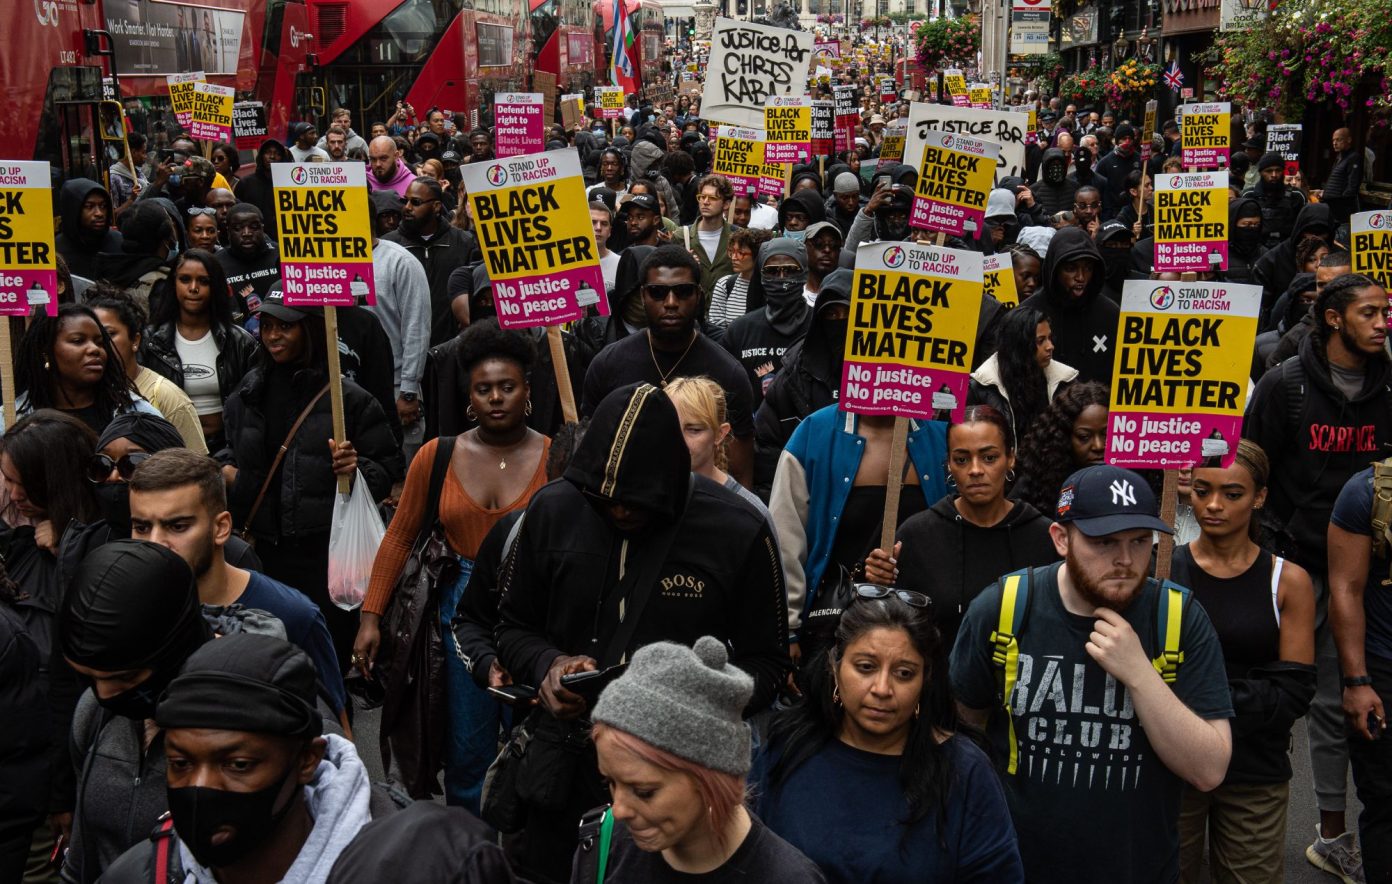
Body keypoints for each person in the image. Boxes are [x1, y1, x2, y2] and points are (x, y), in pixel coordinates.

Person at [494, 383, 789, 882]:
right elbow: (511, 626)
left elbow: (772, 665)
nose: (619, 511)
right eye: (601, 501)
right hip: (563, 771)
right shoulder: (553, 510)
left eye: (634, 501)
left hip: (680, 786)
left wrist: (692, 698)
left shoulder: (738, 530)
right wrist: (548, 666)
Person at [951, 463, 1234, 883]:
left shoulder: (1177, 617)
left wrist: (1139, 673)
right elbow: (962, 736)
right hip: (1016, 868)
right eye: (1103, 542)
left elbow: (1208, 770)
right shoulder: (1003, 608)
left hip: (1137, 868)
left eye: (1140, 541)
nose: (1125, 560)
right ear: (1061, 538)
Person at [355, 320, 549, 811]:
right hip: (459, 617)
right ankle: (470, 849)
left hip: (538, 612)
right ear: (469, 396)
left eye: (508, 386)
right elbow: (399, 536)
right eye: (484, 389)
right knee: (469, 749)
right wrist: (370, 616)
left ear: (527, 390)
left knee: (539, 745)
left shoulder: (556, 456)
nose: (496, 398)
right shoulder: (436, 456)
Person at [1244, 273, 1392, 882]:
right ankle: (1326, 829)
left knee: (1341, 698)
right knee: (1282, 695)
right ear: (1333, 319)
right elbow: (1252, 468)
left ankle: (1336, 835)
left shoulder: (1390, 386)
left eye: (1386, 312)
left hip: (1367, 572)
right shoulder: (1287, 386)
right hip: (1298, 564)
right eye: (1370, 312)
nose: (1384, 322)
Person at [756, 589, 1023, 883]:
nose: (882, 689)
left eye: (904, 673)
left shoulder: (964, 772)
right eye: (866, 667)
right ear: (835, 666)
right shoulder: (788, 750)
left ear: (926, 679)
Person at [223, 291, 404, 670]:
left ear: (310, 329)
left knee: (325, 660)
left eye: (285, 326)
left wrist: (356, 470)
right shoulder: (247, 393)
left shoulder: (349, 400)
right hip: (263, 554)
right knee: (268, 662)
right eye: (267, 326)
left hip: (324, 557)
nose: (273, 336)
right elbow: (230, 450)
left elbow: (386, 468)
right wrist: (228, 473)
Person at [100, 634, 375, 883]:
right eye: (181, 764)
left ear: (306, 760)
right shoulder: (137, 875)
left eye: (238, 765)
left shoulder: (397, 867)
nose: (201, 786)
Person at [1171, 440, 1317, 884]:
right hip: (1173, 765)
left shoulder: (1286, 581)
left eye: (1232, 494)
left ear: (1259, 497)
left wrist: (1194, 701)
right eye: (1201, 490)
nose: (1213, 505)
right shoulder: (1161, 572)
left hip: (1254, 768)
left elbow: (1293, 691)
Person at [573, 636, 825, 883]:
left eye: (644, 792)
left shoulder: (788, 876)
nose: (619, 809)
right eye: (611, 783)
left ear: (710, 776)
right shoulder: (604, 844)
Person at [128, 448, 349, 725]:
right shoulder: (128, 605)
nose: (155, 543)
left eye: (177, 526)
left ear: (221, 528)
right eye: (141, 527)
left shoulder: (292, 615)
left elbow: (334, 736)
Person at [57, 541, 213, 883]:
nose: (105, 694)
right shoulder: (92, 716)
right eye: (90, 678)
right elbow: (81, 859)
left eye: (124, 677)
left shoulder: (242, 729)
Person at [768, 400, 948, 667]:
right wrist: (789, 629)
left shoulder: (940, 437)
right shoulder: (814, 435)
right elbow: (785, 541)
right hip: (836, 628)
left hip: (921, 628)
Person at [863, 407, 1060, 641]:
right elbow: (895, 626)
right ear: (948, 464)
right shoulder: (918, 536)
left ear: (1010, 458)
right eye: (962, 459)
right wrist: (879, 582)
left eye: (989, 457)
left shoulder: (1044, 538)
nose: (975, 470)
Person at [581, 246, 756, 487]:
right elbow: (591, 454)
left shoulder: (729, 373)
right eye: (658, 292)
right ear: (643, 296)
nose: (671, 302)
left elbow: (740, 473)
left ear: (698, 295)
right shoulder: (608, 365)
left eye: (683, 292)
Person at [1330, 458, 1392, 882]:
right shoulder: (1368, 492)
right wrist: (1357, 681)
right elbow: (1345, 588)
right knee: (1386, 803)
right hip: (1383, 670)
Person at [138, 249, 258, 451]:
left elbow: (254, 409)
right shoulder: (151, 341)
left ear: (216, 287)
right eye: (185, 279)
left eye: (203, 281)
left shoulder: (240, 342)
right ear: (173, 284)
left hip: (226, 449)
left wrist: (236, 460)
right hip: (168, 450)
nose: (193, 288)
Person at [753, 268, 851, 498]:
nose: (839, 323)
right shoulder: (793, 375)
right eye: (831, 315)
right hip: (807, 497)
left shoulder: (885, 374)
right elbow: (768, 453)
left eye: (847, 314)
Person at [86, 286, 207, 452]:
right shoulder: (82, 393)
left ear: (135, 340)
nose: (98, 345)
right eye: (88, 338)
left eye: (109, 334)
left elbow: (196, 466)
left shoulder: (165, 396)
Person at [12, 303, 159, 434]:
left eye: (100, 342)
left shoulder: (138, 413)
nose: (94, 349)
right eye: (78, 341)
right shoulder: (12, 419)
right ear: (46, 352)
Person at [664, 376, 773, 535]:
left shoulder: (749, 512)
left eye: (694, 430)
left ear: (720, 434)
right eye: (670, 427)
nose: (679, 441)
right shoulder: (643, 498)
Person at [383, 177, 478, 347]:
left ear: (436, 207)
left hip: (451, 350)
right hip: (400, 350)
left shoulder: (464, 243)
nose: (407, 207)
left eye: (416, 202)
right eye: (405, 201)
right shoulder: (389, 246)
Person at [1018, 226, 1117, 386]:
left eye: (1088, 268)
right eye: (1071, 269)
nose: (1080, 277)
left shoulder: (1112, 315)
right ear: (1054, 270)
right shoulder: (1027, 314)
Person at [366, 195, 432, 435]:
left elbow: (416, 329)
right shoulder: (329, 264)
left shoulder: (400, 262)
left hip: (394, 388)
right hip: (349, 386)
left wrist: (408, 390)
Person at [721, 239, 812, 409]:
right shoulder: (739, 331)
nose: (782, 278)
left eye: (791, 270)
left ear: (804, 273)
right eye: (772, 271)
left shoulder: (820, 327)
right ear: (761, 276)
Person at [969, 305, 1077, 444]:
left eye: (1050, 338)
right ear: (1019, 345)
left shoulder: (1065, 382)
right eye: (1040, 341)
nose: (1050, 346)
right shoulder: (981, 388)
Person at [1011, 380, 1109, 518]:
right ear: (1063, 438)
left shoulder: (1138, 480)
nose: (1098, 446)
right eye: (1084, 437)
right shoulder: (1035, 485)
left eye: (1107, 435)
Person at [678, 174, 737, 299]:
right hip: (691, 312)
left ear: (726, 204)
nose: (705, 202)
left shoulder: (737, 238)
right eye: (702, 197)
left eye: (712, 198)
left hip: (726, 312)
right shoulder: (681, 235)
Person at [55, 179, 122, 281]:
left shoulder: (119, 243)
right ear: (73, 210)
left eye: (103, 206)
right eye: (89, 206)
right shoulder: (56, 251)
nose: (99, 213)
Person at [219, 203, 282, 310]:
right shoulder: (217, 263)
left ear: (262, 228)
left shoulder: (281, 254)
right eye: (238, 228)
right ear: (228, 231)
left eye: (254, 227)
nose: (247, 233)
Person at [707, 228, 771, 329]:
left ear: (758, 255)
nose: (733, 257)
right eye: (732, 252)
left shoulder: (772, 287)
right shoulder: (725, 284)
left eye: (740, 253)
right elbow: (715, 328)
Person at [1245, 152, 1306, 249]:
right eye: (1269, 171)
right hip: (1257, 249)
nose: (1274, 175)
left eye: (1278, 170)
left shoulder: (1297, 195)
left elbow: (1303, 228)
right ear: (1261, 172)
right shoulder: (1248, 195)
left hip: (1288, 249)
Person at [233, 139, 288, 241]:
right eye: (268, 153)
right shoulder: (245, 183)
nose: (272, 157)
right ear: (261, 156)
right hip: (253, 239)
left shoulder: (288, 184)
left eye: (277, 154)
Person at [1094, 123, 1142, 221]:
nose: (1127, 142)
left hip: (1137, 211)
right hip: (1114, 213)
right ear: (1117, 141)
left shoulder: (1141, 160)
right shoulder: (1105, 162)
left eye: (1130, 138)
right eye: (1123, 138)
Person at [1317, 128, 1362, 227]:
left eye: (1338, 140)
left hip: (1340, 212)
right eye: (1333, 140)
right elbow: (1336, 180)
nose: (1335, 143)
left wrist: (1341, 205)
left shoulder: (1353, 157)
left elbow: (1352, 186)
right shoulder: (1339, 157)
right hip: (1330, 208)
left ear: (1349, 140)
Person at [591, 201, 622, 295]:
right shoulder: (568, 265)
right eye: (593, 222)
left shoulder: (620, 264)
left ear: (610, 231)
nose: (598, 228)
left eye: (604, 223)